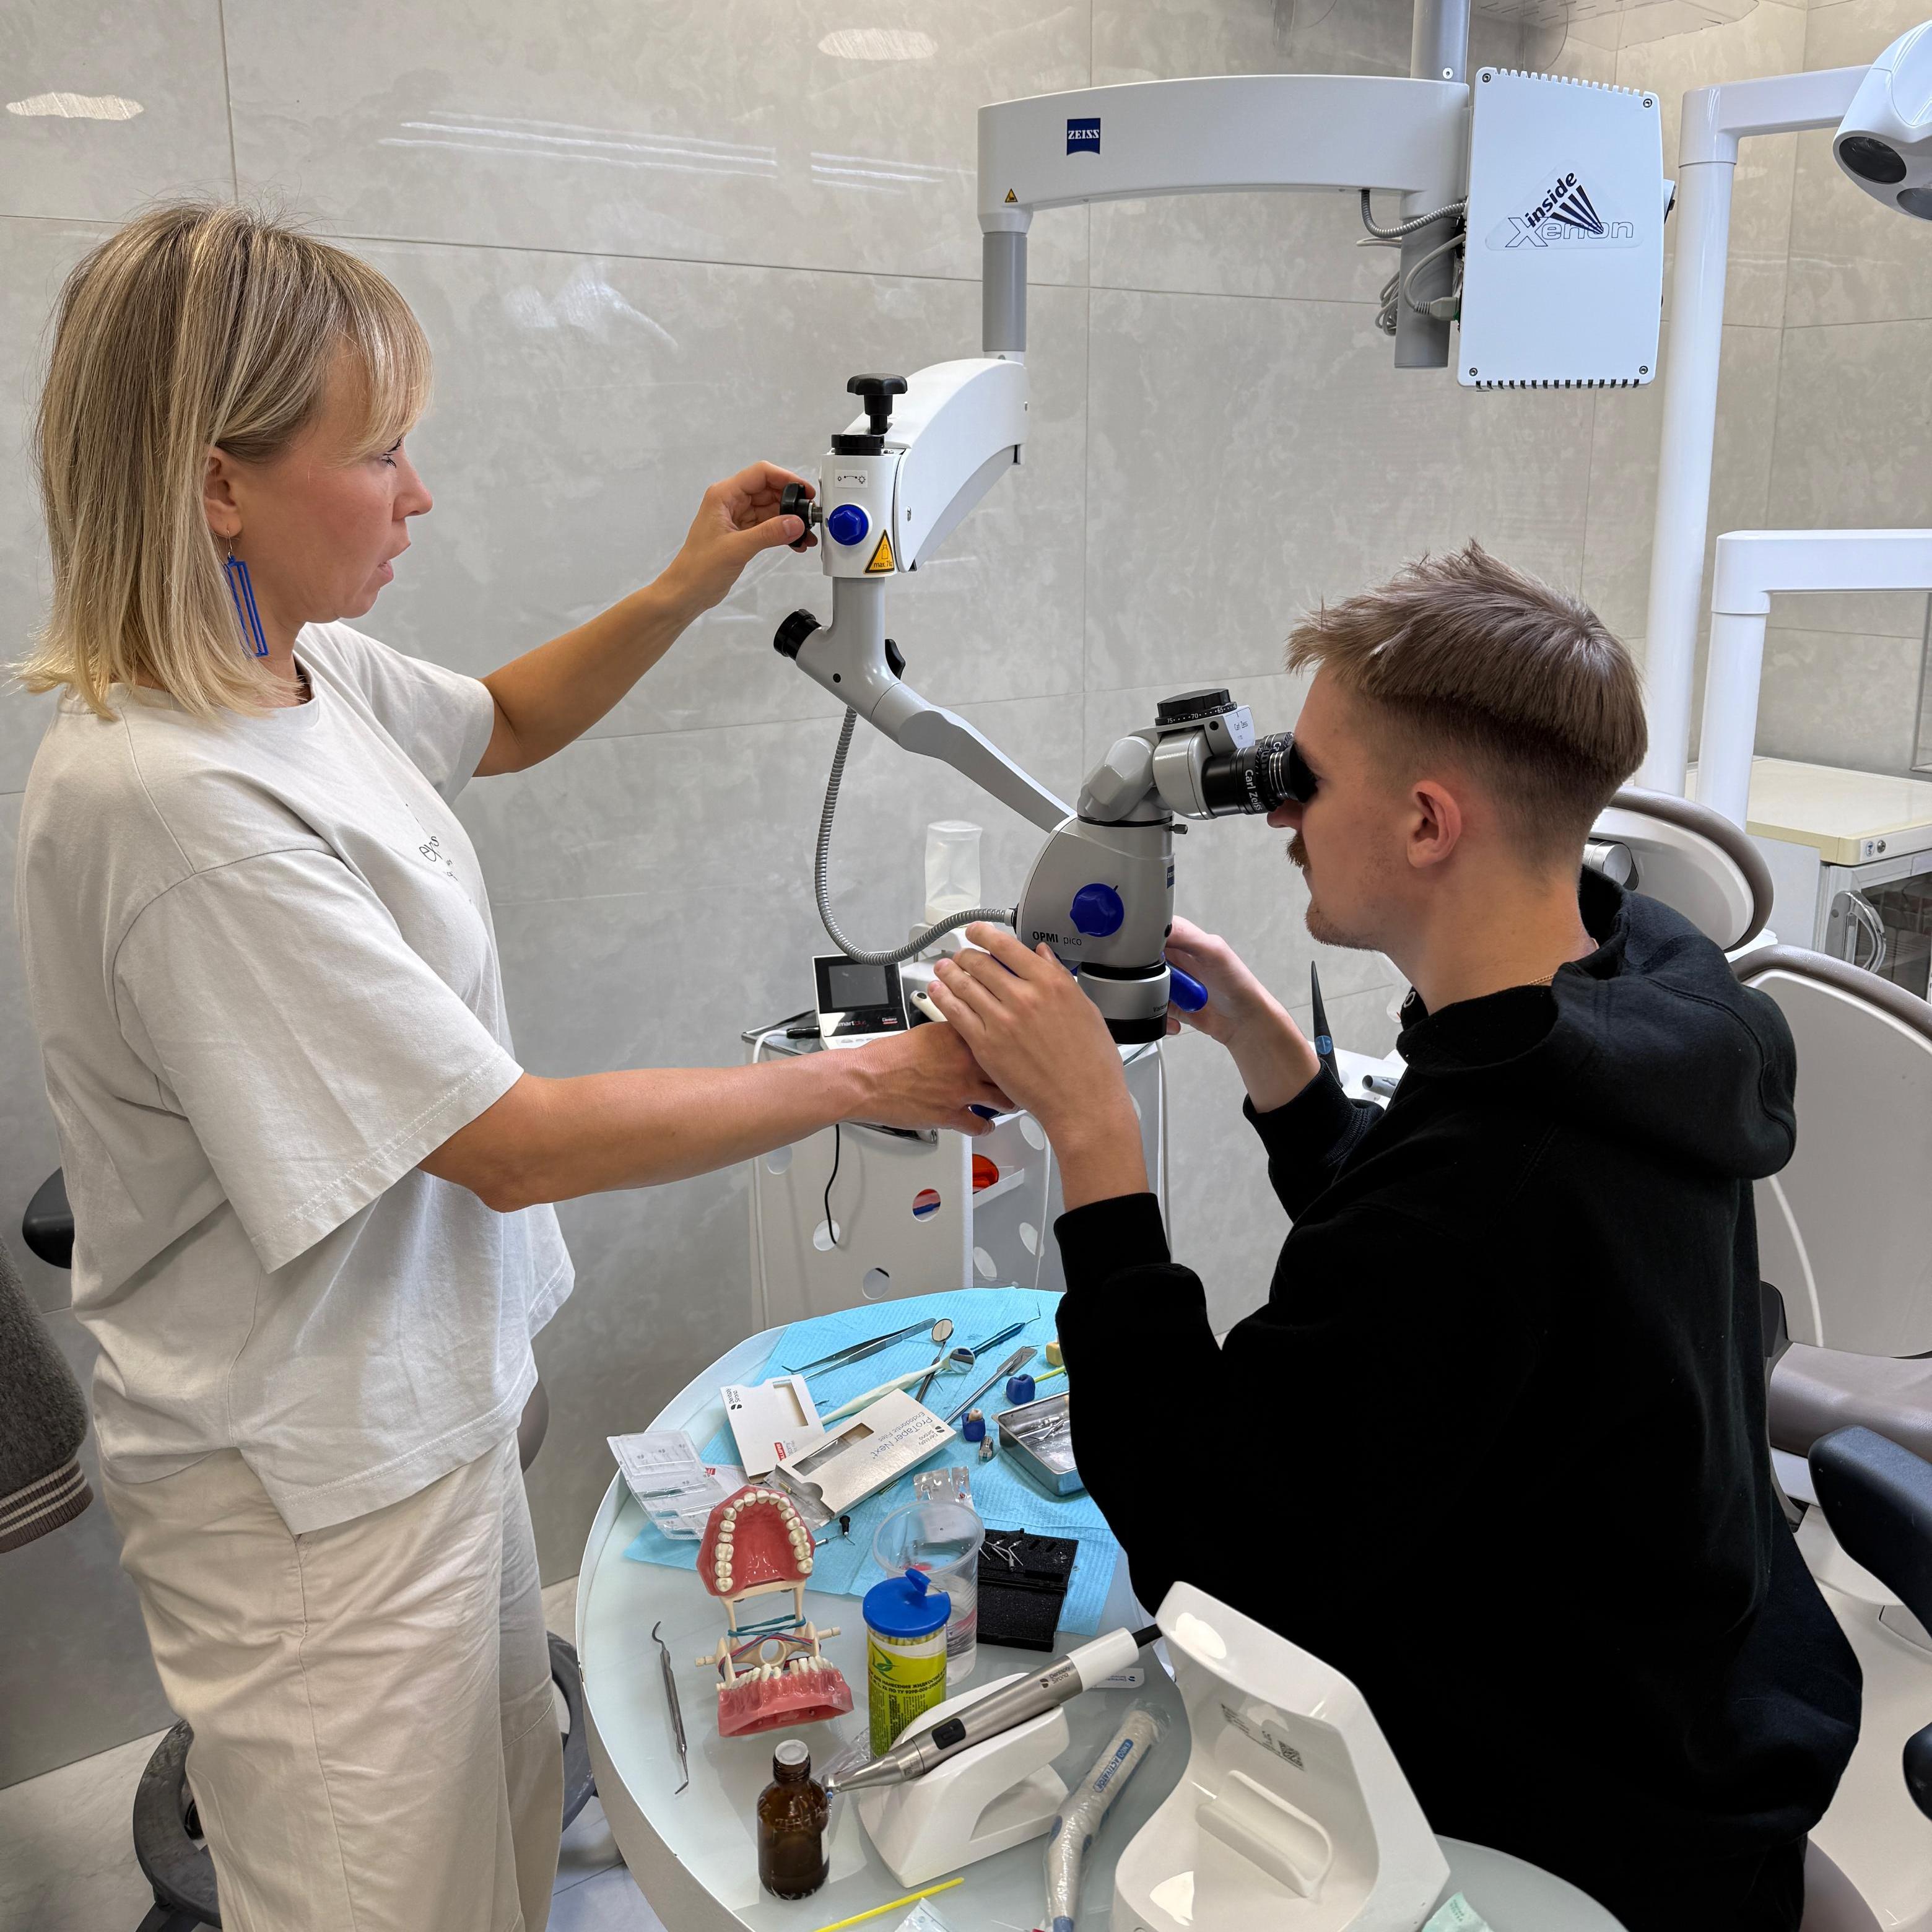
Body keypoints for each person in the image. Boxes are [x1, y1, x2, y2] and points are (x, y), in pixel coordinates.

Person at [15, 202, 1003, 1932]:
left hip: (421, 1419)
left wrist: (688, 582)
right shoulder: (176, 805)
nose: (417, 494)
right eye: (377, 453)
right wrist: (879, 1079)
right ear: (218, 484)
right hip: (311, 1499)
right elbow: (511, 1142)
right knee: (382, 1898)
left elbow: (511, 721)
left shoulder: (294, 668)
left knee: (501, 1837)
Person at [924, 544, 1861, 1931]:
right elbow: (1453, 1290)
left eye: (1304, 780)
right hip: (1703, 1711)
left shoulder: (1499, 1171)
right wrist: (1275, 1055)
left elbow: (1210, 1538)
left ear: (1428, 823)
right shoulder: (1642, 997)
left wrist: (1094, 1144)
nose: (1277, 813)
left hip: (1576, 1829)